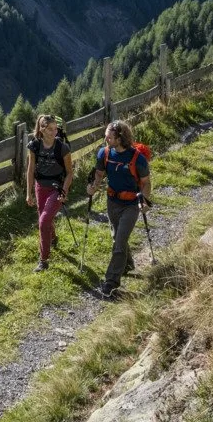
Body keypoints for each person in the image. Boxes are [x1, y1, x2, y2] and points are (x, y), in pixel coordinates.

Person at [85, 119, 151, 298]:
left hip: (131, 204)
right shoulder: (104, 153)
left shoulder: (138, 159)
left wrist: (144, 201)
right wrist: (93, 187)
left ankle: (111, 282)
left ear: (120, 138)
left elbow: (145, 183)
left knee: (119, 241)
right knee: (117, 237)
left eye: (109, 136)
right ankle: (127, 264)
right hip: (112, 201)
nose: (105, 139)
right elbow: (99, 174)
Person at [26, 114, 72, 273]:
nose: (55, 132)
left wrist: (64, 191)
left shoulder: (62, 147)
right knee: (44, 217)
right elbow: (30, 169)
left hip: (57, 188)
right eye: (51, 129)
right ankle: (52, 237)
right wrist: (29, 193)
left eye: (56, 129)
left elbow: (70, 173)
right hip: (40, 187)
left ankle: (43, 260)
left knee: (43, 221)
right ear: (42, 129)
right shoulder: (34, 146)